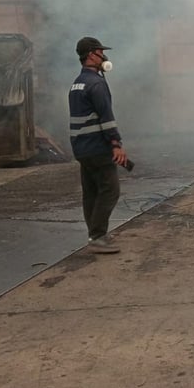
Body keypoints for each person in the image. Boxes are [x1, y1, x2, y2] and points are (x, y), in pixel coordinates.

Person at [68, 36, 129, 254]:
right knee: (110, 190)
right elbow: (106, 117)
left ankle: (94, 234)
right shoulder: (96, 83)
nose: (104, 56)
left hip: (81, 148)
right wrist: (116, 144)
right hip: (97, 147)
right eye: (100, 52)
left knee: (91, 192)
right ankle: (97, 237)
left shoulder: (77, 83)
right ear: (91, 55)